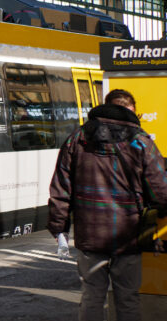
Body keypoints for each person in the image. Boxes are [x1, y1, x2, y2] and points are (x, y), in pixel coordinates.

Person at [47, 88, 167, 321]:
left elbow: (60, 189)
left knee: (92, 296)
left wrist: (59, 228)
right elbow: (161, 191)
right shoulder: (141, 143)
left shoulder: (77, 139)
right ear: (131, 111)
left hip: (90, 234)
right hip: (128, 235)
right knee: (128, 297)